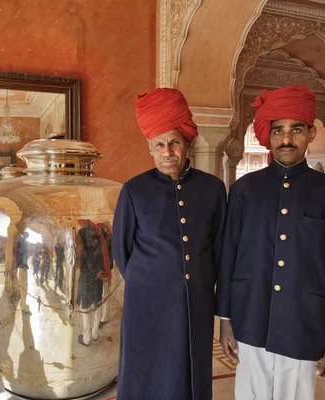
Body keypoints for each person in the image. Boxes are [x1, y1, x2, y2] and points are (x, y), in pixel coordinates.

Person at [216, 84, 325, 400]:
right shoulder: (244, 191)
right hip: (249, 316)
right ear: (266, 135)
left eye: (296, 129)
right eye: (278, 130)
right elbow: (228, 258)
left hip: (304, 322)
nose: (286, 138)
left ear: (311, 134)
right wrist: (225, 320)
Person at [112, 88, 227, 399]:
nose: (167, 151)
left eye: (174, 142)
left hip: (197, 303)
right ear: (150, 148)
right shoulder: (134, 190)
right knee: (146, 369)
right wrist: (152, 279)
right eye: (159, 144)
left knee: (190, 370)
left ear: (186, 143)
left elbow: (219, 249)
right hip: (146, 302)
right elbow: (121, 251)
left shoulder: (213, 189)